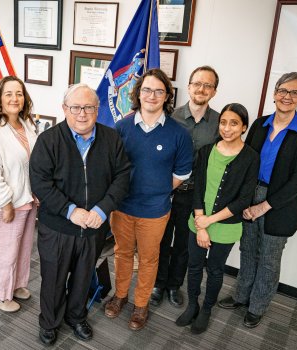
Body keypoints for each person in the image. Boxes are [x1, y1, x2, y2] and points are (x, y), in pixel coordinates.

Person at [30, 83, 130, 345]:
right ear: (65, 109)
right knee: (53, 278)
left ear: (97, 110)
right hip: (58, 227)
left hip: (94, 225)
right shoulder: (48, 141)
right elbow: (40, 183)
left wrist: (103, 208)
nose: (82, 113)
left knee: (84, 276)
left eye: (88, 107)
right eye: (75, 107)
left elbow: (122, 176)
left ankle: (76, 316)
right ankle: (50, 322)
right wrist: (70, 211)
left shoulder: (111, 138)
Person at [218, 72, 297, 328]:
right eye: (283, 91)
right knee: (248, 251)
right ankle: (241, 296)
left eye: (295, 92)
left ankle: (257, 306)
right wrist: (244, 200)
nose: (287, 96)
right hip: (250, 197)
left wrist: (265, 205)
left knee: (270, 260)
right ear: (274, 94)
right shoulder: (260, 124)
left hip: (280, 204)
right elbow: (245, 163)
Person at [104, 68, 193, 331]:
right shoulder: (121, 127)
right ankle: (120, 296)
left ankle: (140, 304)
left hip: (155, 210)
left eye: (158, 91)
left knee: (148, 258)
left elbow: (183, 172)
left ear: (167, 96)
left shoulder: (179, 133)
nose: (152, 95)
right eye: (146, 89)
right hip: (122, 207)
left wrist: (158, 191)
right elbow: (109, 166)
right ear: (138, 93)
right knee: (121, 254)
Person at [175, 103, 259, 334]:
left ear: (243, 127)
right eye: (223, 122)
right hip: (199, 221)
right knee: (193, 266)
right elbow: (198, 189)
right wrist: (201, 224)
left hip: (225, 226)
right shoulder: (206, 152)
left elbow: (243, 200)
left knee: (214, 269)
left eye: (234, 123)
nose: (227, 128)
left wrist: (209, 223)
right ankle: (193, 305)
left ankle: (206, 309)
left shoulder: (250, 158)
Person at [151, 66, 220, 308]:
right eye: (197, 83)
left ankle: (173, 286)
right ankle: (158, 284)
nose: (201, 89)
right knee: (160, 240)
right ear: (189, 86)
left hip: (196, 196)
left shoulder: (220, 123)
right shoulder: (170, 117)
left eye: (208, 85)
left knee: (183, 244)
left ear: (214, 91)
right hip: (167, 191)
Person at [0, 76, 38, 313]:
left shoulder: (26, 124)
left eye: (19, 94)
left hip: (26, 199)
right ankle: (0, 295)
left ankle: (17, 284)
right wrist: (5, 202)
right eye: (9, 94)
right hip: (2, 203)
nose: (14, 98)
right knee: (2, 251)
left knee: (22, 247)